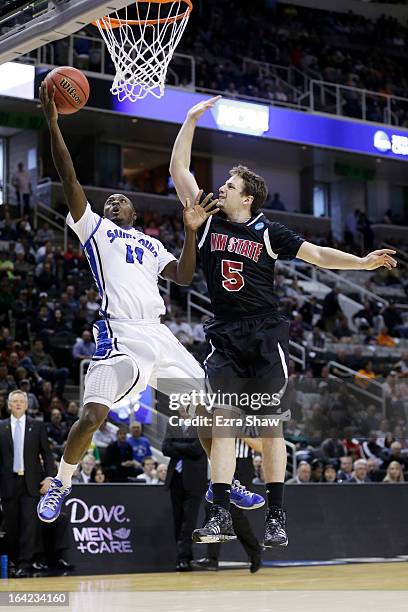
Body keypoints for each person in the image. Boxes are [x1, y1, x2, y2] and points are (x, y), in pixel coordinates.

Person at [169, 94, 397, 546]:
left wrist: (364, 262)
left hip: (264, 333)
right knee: (222, 423)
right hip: (225, 335)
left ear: (247, 197)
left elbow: (318, 255)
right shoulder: (208, 218)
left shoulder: (270, 230)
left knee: (270, 425)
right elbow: (179, 170)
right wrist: (190, 119)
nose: (221, 189)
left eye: (230, 186)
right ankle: (219, 514)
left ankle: (277, 515)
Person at [36, 81, 217, 522]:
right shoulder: (93, 228)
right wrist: (52, 122)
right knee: (93, 414)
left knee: (208, 407)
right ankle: (62, 480)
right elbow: (69, 176)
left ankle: (222, 485)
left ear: (135, 213)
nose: (113, 201)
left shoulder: (152, 245)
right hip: (121, 335)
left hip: (160, 334)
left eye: (122, 200)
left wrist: (192, 231)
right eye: (110, 200)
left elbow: (187, 277)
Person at [0, 390, 55, 577]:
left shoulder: (37, 426)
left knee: (29, 524)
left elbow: (47, 454)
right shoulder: (1, 427)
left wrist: (49, 477)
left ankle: (25, 562)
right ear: (8, 405)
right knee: (12, 525)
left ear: (26, 404)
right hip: (7, 483)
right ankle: (16, 560)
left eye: (21, 401)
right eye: (14, 401)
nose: (17, 404)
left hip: (31, 483)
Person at [162, 413, 208, 571]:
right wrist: (183, 447)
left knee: (189, 522)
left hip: (194, 480)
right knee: (178, 520)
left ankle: (182, 558)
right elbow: (165, 448)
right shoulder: (173, 424)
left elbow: (197, 449)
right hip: (175, 478)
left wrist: (177, 445)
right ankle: (185, 557)